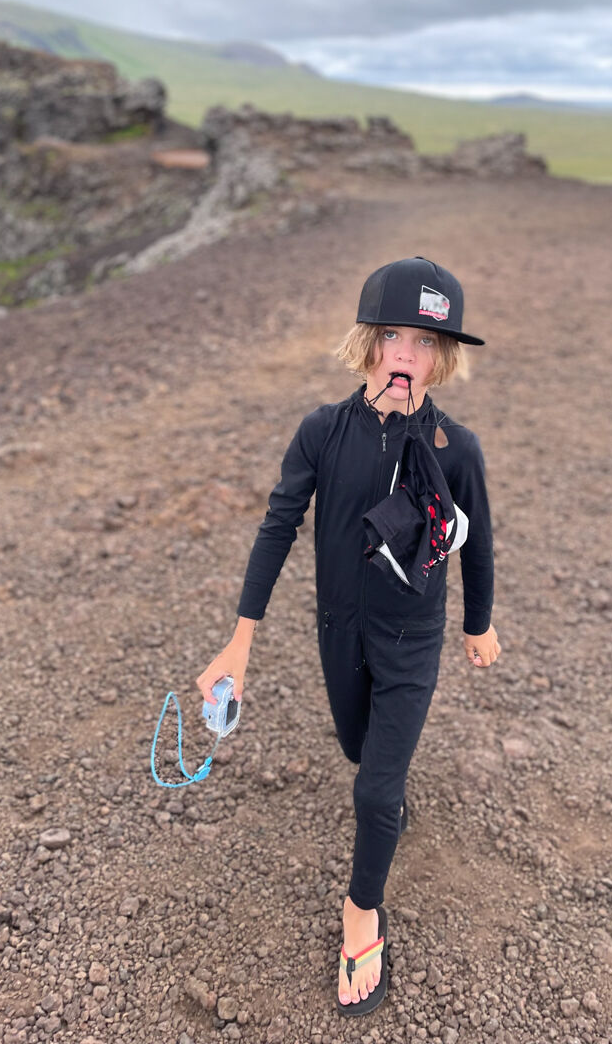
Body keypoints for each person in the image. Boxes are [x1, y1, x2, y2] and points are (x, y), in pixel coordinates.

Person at [196, 256, 500, 1015]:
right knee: (359, 749)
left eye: (426, 342)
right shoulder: (322, 432)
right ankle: (384, 791)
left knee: (375, 788)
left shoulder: (455, 448)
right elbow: (277, 528)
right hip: (339, 631)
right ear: (367, 343)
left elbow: (480, 542)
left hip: (412, 637)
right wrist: (241, 640)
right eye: (394, 335)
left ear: (444, 358)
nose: (408, 354)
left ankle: (361, 914)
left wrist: (478, 624)